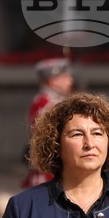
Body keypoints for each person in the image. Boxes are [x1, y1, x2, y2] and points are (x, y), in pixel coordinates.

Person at [23, 58, 75, 188]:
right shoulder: (47, 104)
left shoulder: (56, 101)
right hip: (49, 171)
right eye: (65, 77)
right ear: (53, 81)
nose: (71, 81)